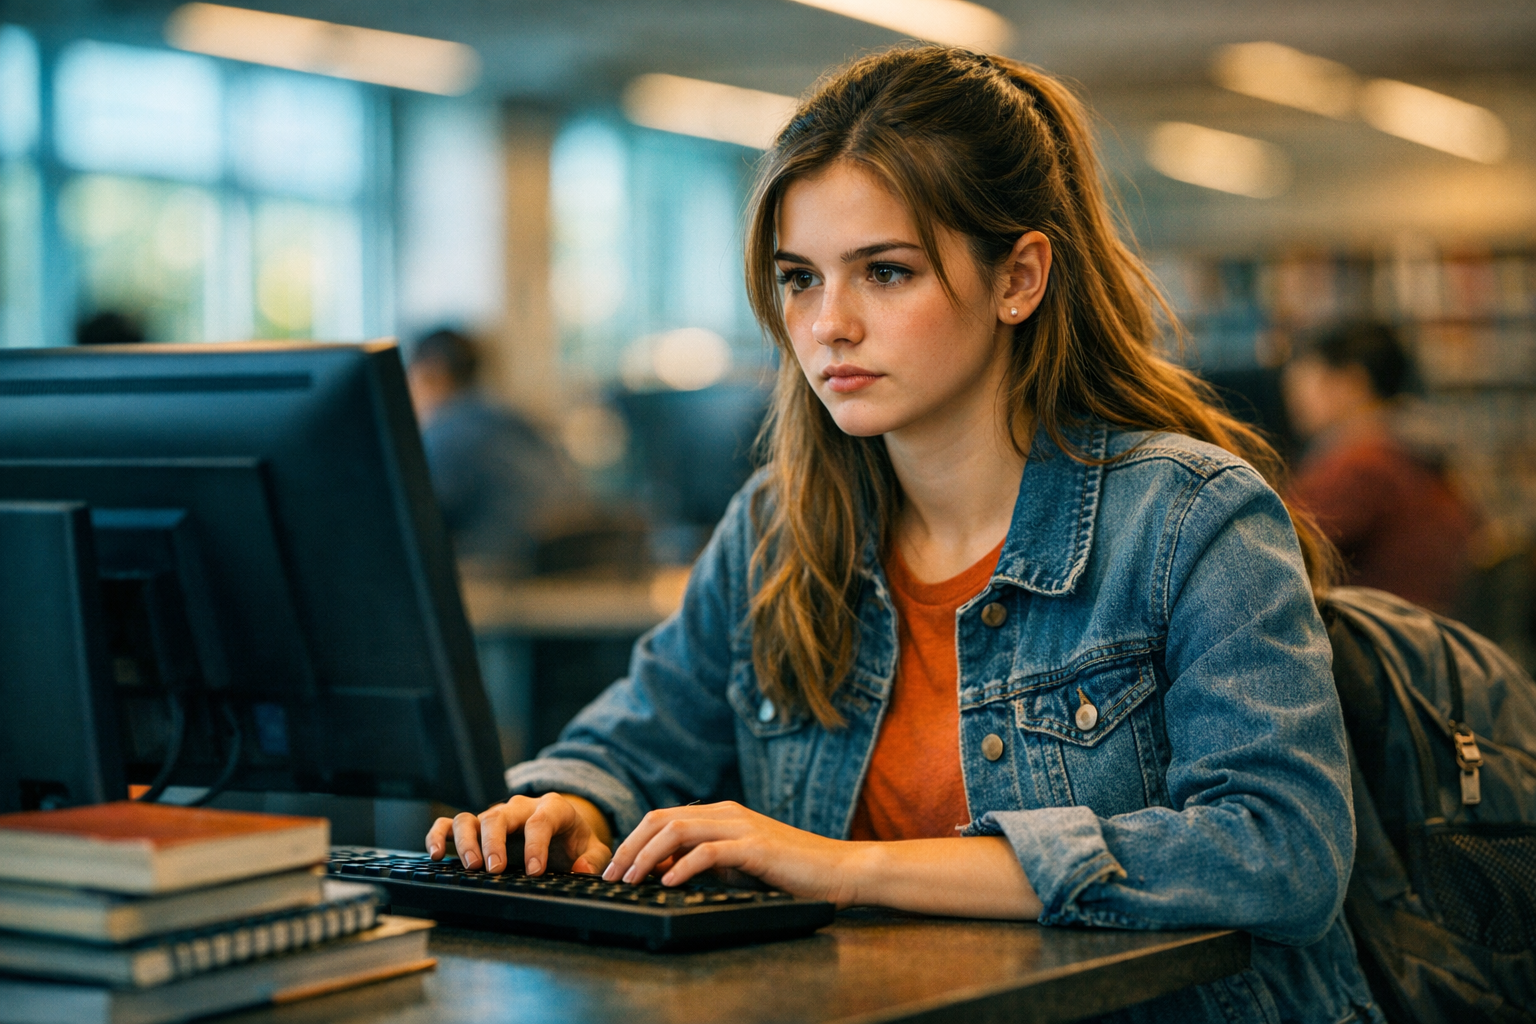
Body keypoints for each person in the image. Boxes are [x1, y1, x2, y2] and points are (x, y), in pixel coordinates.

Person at [427, 48, 1380, 1023]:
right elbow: (634, 743)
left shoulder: (1191, 518)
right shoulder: (777, 529)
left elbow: (1280, 850)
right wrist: (567, 805)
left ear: (1019, 278)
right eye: (800, 279)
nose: (829, 325)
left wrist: (848, 867)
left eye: (885, 272)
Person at [1283, 322, 1475, 613]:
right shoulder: (1411, 446)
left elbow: (1278, 548)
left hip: (1380, 632)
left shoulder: (1361, 464)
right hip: (1423, 627)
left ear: (1351, 383)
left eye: (1307, 379)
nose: (1293, 396)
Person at [406, 328, 586, 579]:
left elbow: (413, 521)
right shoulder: (509, 419)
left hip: (503, 575)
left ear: (432, 371)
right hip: (567, 573)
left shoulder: (447, 434)